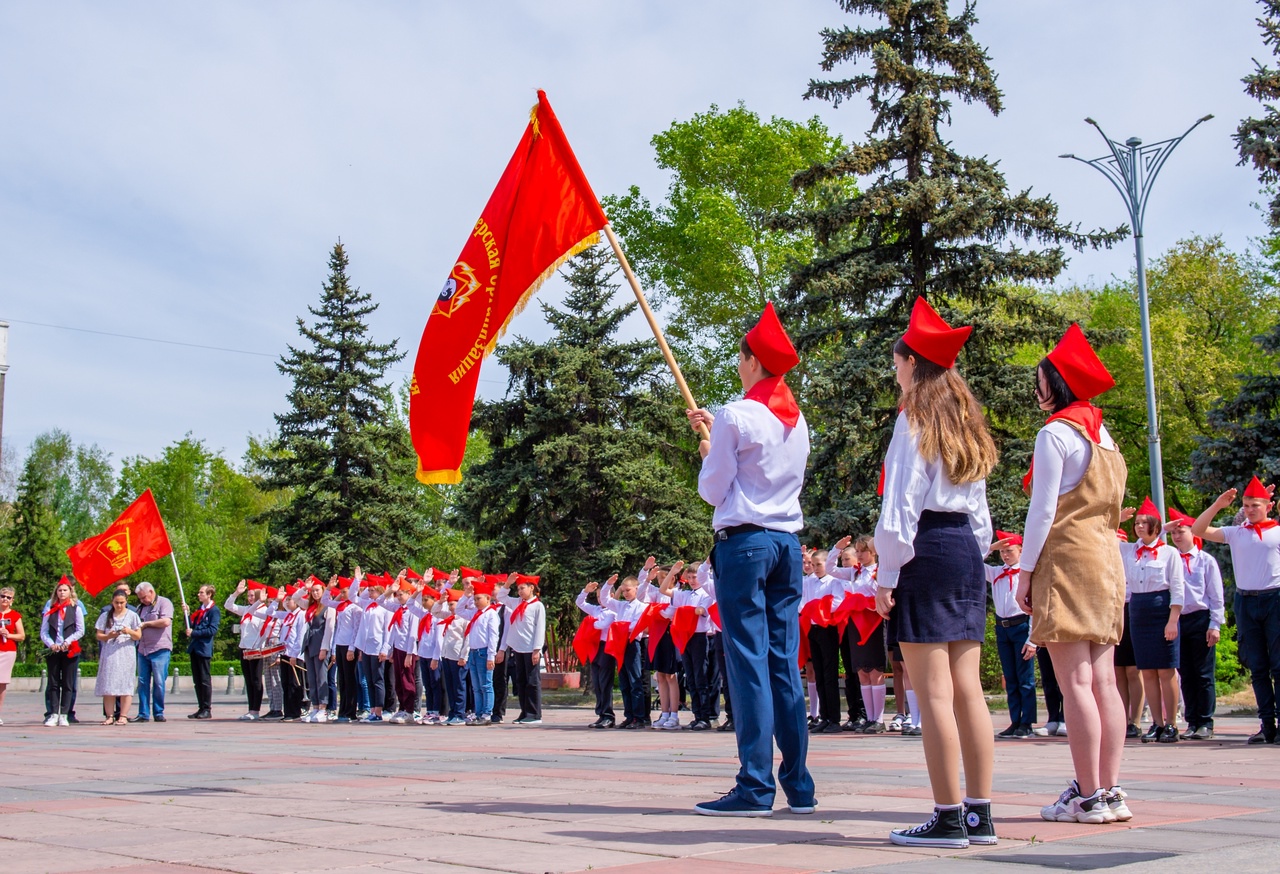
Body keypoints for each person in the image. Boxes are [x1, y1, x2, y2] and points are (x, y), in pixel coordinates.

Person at [874, 297, 997, 849]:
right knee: (968, 690)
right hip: (966, 551)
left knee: (935, 694)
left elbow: (900, 505)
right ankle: (979, 815)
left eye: (897, 362)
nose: (894, 371)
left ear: (913, 365)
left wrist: (886, 575)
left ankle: (947, 817)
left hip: (925, 547)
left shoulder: (913, 420)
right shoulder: (965, 423)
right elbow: (983, 517)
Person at [686, 301, 815, 818]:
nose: (738, 365)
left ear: (754, 362)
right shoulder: (795, 418)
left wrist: (709, 445)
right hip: (787, 544)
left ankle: (755, 785)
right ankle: (799, 787)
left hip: (744, 543)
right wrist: (716, 432)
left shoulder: (737, 414)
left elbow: (715, 489)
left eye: (741, 358)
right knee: (784, 662)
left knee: (747, 661)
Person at [1017, 323, 1131, 825]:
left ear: (1057, 383)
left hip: (1066, 557)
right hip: (1107, 559)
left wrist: (1025, 571)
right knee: (1104, 681)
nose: (1037, 388)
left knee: (1075, 682)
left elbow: (1042, 511)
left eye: (1041, 379)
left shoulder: (1055, 433)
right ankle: (1109, 790)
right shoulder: (1106, 436)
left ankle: (1087, 794)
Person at [1190, 475, 1280, 744]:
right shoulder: (1236, 532)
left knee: (1278, 665)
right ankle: (1267, 724)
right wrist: (1218, 504)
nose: (1251, 510)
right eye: (1247, 505)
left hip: (1274, 599)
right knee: (1258, 667)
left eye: (1256, 505)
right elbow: (1198, 529)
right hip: (1246, 601)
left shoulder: (1277, 532)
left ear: (1268, 506)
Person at [1118, 498, 1184, 744]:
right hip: (1138, 609)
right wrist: (1118, 518)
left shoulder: (1169, 553)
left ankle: (1171, 724)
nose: (1139, 526)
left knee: (1166, 670)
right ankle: (1155, 722)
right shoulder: (1127, 550)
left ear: (1156, 526)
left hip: (1161, 609)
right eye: (1137, 523)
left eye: (1144, 523)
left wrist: (1172, 621)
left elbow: (1178, 589)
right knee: (1146, 670)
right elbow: (1102, 534)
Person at [1165, 507, 1224, 740]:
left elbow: (1216, 595)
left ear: (1193, 532)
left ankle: (1206, 721)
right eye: (1174, 532)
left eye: (1182, 531)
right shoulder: (1170, 559)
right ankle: (1192, 720)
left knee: (1203, 673)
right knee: (1185, 673)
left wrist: (1215, 624)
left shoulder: (1205, 560)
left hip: (1200, 618)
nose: (1177, 536)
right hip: (1178, 620)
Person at [986, 532, 1037, 739]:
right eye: (1003, 552)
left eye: (1010, 551)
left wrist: (1032, 639)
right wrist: (990, 548)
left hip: (1021, 626)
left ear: (1021, 551)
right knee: (1010, 677)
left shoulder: (1026, 575)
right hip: (1002, 627)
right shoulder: (996, 572)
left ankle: (1027, 723)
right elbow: (972, 560)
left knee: (1025, 677)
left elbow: (1035, 607)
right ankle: (1015, 720)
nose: (1006, 555)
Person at [497, 573, 546, 725]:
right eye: (518, 589)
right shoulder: (517, 602)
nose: (519, 591)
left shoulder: (537, 606)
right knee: (521, 681)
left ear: (532, 588)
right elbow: (501, 597)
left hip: (531, 648)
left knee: (532, 681)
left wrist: (537, 649)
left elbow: (540, 628)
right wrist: (507, 584)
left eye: (522, 588)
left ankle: (534, 714)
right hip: (518, 648)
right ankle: (524, 712)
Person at [94, 587, 142, 725]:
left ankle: (123, 715)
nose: (119, 605)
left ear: (126, 601)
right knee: (108, 684)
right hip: (110, 652)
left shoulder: (132, 616)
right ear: (112, 602)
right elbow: (99, 635)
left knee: (125, 684)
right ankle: (109, 715)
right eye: (116, 602)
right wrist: (109, 635)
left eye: (122, 602)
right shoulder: (105, 616)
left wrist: (128, 631)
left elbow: (138, 635)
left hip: (126, 652)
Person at [456, 578, 500, 725]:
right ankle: (478, 712)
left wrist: (491, 656)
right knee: (476, 686)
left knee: (486, 684)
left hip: (484, 652)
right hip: (474, 652)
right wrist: (466, 595)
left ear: (488, 598)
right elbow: (459, 610)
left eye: (478, 598)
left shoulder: (491, 614)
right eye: (474, 599)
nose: (475, 602)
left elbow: (493, 636)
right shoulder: (475, 613)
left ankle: (487, 713)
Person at [41, 577, 84, 727]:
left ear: (70, 591)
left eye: (65, 590)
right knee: (53, 682)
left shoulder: (76, 608)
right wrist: (51, 644)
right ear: (56, 592)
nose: (62, 592)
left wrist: (68, 641)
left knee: (68, 683)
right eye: (59, 590)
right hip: (54, 650)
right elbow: (44, 632)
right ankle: (53, 713)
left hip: (70, 650)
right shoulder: (50, 609)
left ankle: (64, 714)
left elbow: (80, 630)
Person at [133, 582, 174, 723]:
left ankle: (158, 712)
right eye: (140, 598)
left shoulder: (164, 602)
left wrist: (146, 624)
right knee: (142, 682)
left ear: (151, 591)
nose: (142, 600)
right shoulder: (140, 608)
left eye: (144, 597)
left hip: (159, 648)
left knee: (159, 682)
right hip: (142, 649)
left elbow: (166, 622)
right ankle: (143, 713)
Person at [183, 585, 221, 720]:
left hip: (204, 648)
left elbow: (212, 630)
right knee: (197, 680)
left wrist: (195, 633)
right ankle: (201, 707)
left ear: (209, 594)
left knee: (204, 680)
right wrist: (186, 615)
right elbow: (191, 626)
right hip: (195, 648)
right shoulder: (200, 610)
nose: (199, 594)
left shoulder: (213, 611)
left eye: (201, 592)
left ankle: (207, 708)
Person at [0, 587, 27, 725]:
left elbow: (21, 636)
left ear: (12, 601)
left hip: (7, 651)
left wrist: (8, 635)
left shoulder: (15, 615)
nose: (5, 599)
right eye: (3, 596)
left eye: (8, 597)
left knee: (1, 683)